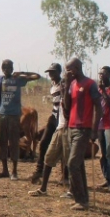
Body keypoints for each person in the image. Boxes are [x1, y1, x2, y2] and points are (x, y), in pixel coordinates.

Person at [0, 59, 40, 180]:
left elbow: (37, 76)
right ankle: (4, 170)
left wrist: (22, 73)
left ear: (13, 69)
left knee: (14, 142)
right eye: (5, 68)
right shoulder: (0, 79)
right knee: (2, 142)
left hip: (14, 115)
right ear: (2, 69)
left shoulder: (18, 80)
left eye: (9, 67)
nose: (7, 70)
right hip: (1, 114)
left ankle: (14, 171)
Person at [62, 58, 101, 210]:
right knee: (78, 164)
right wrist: (66, 85)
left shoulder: (90, 84)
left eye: (69, 69)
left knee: (72, 163)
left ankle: (81, 200)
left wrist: (95, 129)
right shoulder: (72, 84)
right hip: (71, 127)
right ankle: (83, 198)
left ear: (77, 68)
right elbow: (67, 106)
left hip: (84, 129)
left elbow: (98, 108)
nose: (67, 72)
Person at [28, 64, 69, 197]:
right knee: (44, 142)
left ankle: (65, 176)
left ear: (59, 72)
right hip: (54, 116)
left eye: (53, 72)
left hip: (63, 117)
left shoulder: (64, 84)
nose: (51, 74)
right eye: (49, 72)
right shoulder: (53, 85)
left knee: (64, 149)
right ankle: (39, 170)